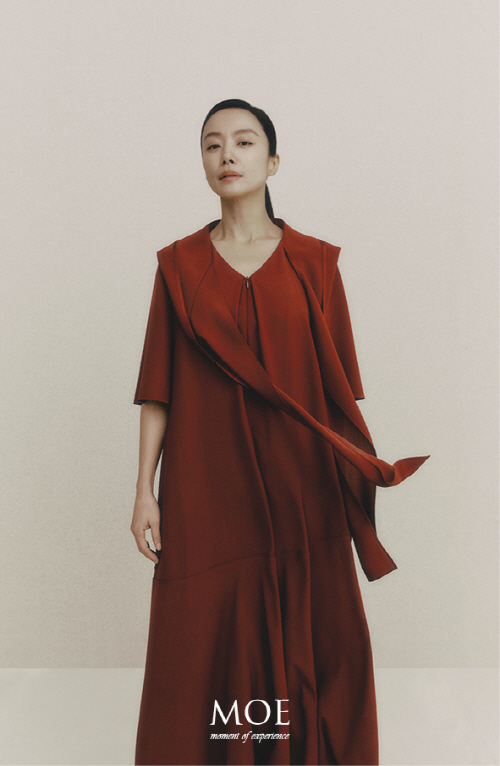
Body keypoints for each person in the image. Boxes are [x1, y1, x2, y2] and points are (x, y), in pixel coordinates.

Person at [130, 98, 429, 766]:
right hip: (205, 482)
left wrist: (353, 492)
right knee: (200, 625)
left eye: (243, 142)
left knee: (312, 626)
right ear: (202, 161)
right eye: (212, 144)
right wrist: (145, 490)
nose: (227, 155)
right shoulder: (177, 267)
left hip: (302, 484)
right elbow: (158, 389)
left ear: (272, 162)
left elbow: (341, 395)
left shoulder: (315, 264)